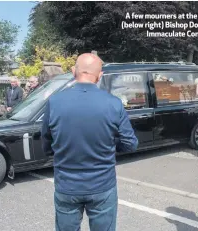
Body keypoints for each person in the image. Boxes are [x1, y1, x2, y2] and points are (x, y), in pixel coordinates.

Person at [41, 53, 138, 231]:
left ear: (73, 71)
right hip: (102, 183)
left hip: (66, 184)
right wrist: (110, 145)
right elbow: (130, 143)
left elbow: (46, 141)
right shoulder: (114, 103)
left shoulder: (54, 102)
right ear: (99, 75)